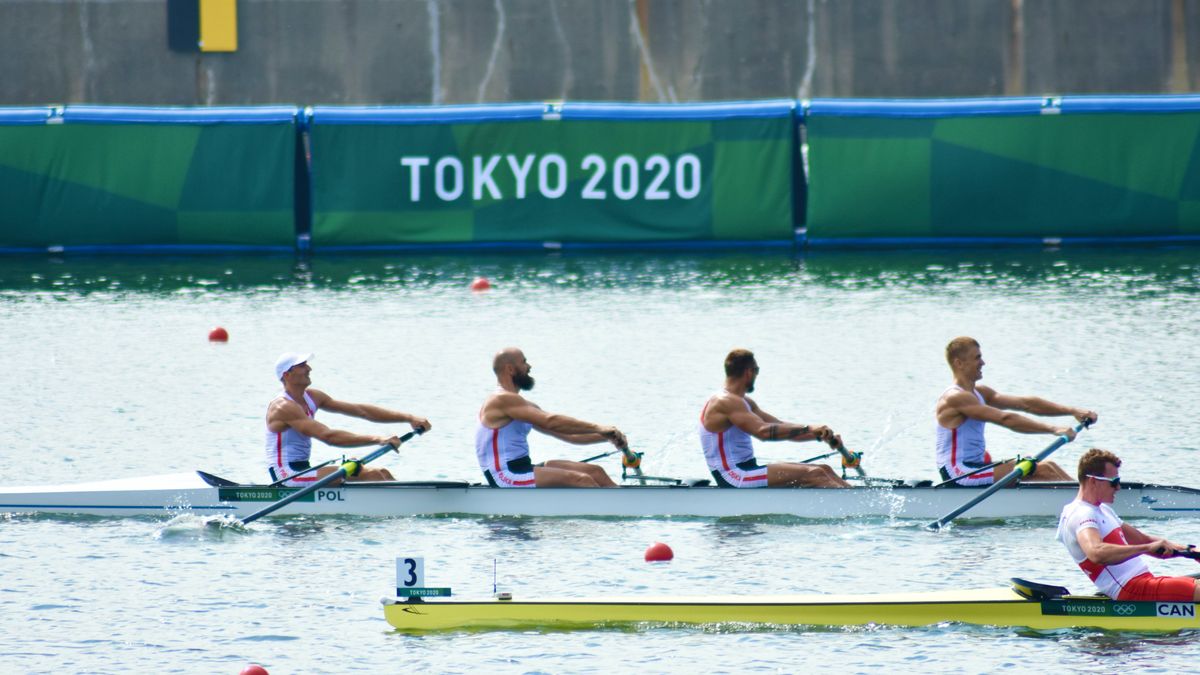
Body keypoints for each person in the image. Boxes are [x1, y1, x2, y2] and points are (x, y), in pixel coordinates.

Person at [935, 336, 1096, 485]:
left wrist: (1072, 410)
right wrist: (1053, 429)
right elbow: (1005, 419)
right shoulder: (955, 397)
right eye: (977, 358)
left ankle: (1085, 499)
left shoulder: (981, 393)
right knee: (1044, 470)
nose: (983, 362)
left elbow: (1026, 404)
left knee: (1048, 465)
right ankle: (1083, 504)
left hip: (975, 466)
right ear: (959, 363)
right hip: (958, 472)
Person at [265, 353, 431, 486]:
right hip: (286, 475)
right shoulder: (283, 407)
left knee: (382, 473)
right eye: (302, 366)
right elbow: (328, 436)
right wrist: (378, 439)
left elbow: (362, 411)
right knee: (372, 475)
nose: (309, 368)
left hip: (304, 469)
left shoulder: (313, 397)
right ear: (287, 375)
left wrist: (409, 418)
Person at [1057, 448, 1199, 601]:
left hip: (1144, 583)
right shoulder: (1080, 513)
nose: (1118, 488)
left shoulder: (1103, 510)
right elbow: (1096, 552)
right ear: (1093, 481)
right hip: (1130, 588)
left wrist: (1190, 551)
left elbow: (1143, 540)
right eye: (1114, 482)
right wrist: (1146, 548)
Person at [476, 347, 628, 487]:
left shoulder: (523, 406)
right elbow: (550, 421)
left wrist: (608, 437)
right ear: (510, 369)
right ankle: (613, 510)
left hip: (523, 468)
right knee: (581, 479)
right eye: (524, 362)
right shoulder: (500, 399)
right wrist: (598, 427)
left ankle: (626, 506)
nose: (529, 366)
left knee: (595, 472)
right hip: (504, 475)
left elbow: (571, 436)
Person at [698, 349, 850, 488]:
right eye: (757, 370)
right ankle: (854, 508)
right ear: (749, 372)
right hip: (733, 475)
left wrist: (820, 435)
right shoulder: (725, 401)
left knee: (824, 469)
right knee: (814, 473)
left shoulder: (744, 402)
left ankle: (856, 499)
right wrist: (809, 427)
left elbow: (779, 426)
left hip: (747, 469)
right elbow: (763, 432)